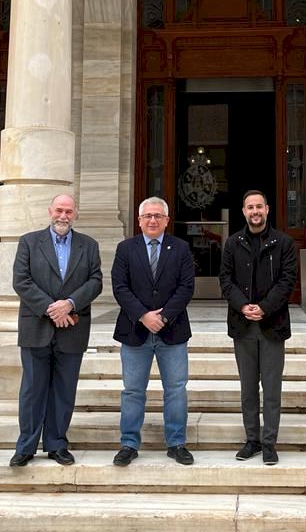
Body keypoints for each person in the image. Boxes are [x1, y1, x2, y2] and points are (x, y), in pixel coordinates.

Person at [10, 194, 103, 467]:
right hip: (36, 325)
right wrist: (52, 308)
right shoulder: (29, 242)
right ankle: (26, 446)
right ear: (50, 210)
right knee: (32, 389)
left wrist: (70, 304)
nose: (63, 216)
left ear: (76, 214)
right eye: (59, 210)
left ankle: (56, 444)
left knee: (64, 390)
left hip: (72, 327)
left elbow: (95, 281)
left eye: (69, 211)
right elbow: (21, 280)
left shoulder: (89, 245)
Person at [111, 196, 196, 466]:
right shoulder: (125, 249)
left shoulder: (181, 248)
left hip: (172, 331)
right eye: (147, 216)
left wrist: (164, 316)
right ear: (139, 220)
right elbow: (120, 287)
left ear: (167, 220)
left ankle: (176, 443)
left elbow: (186, 287)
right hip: (134, 331)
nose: (152, 220)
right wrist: (143, 316)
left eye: (158, 215)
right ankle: (129, 444)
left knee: (176, 390)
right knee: (133, 391)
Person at [218, 190, 297, 465]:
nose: (255, 211)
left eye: (259, 207)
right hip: (243, 326)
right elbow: (225, 279)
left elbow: (287, 280)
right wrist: (243, 306)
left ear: (267, 209)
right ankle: (252, 440)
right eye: (250, 207)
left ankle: (269, 443)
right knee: (248, 388)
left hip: (272, 325)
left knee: (272, 389)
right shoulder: (232, 243)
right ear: (243, 211)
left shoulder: (284, 243)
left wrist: (264, 307)